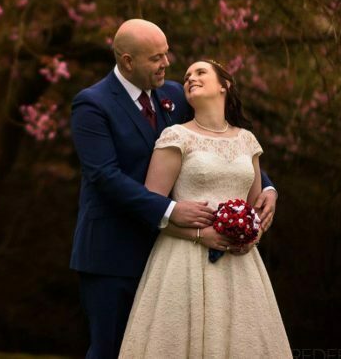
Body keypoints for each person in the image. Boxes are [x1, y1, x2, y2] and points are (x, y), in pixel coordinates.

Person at [69, 20, 277, 358]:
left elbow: (216, 145)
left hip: (173, 257)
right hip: (113, 251)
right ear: (127, 61)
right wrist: (169, 210)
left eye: (166, 54)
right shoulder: (92, 105)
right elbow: (104, 176)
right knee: (112, 350)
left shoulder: (175, 95)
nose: (167, 64)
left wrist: (267, 187)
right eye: (156, 58)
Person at [118, 59, 289, 357]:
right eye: (186, 76)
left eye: (200, 73)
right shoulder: (176, 137)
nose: (190, 78)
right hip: (183, 259)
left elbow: (254, 209)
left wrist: (252, 236)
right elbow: (151, 206)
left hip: (240, 266)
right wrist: (199, 235)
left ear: (225, 85)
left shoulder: (247, 141)